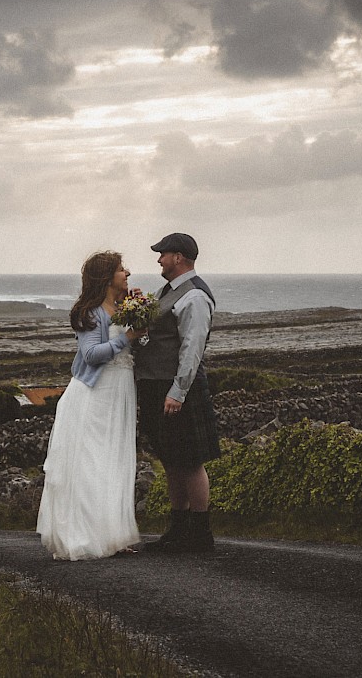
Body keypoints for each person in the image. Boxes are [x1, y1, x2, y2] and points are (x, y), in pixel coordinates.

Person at [36, 251, 145, 560]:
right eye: (122, 270)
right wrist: (127, 336)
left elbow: (138, 341)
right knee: (92, 462)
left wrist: (139, 316)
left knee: (114, 458)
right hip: (95, 393)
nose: (127, 273)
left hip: (120, 390)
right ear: (107, 276)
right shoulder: (92, 312)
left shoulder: (122, 307)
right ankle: (86, 535)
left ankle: (112, 534)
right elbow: (92, 355)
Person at [134, 233, 220, 553]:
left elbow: (191, 348)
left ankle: (200, 533)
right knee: (171, 459)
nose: (159, 259)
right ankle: (179, 529)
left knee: (191, 460)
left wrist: (178, 391)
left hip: (177, 388)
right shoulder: (167, 291)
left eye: (163, 254)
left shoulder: (194, 296)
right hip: (158, 385)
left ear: (179, 258)